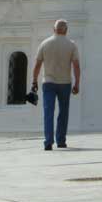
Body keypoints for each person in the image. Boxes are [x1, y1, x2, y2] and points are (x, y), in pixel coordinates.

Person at [31, 19, 80, 150]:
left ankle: (48, 142)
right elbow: (76, 66)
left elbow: (37, 65)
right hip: (65, 83)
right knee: (63, 112)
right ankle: (61, 140)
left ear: (54, 29)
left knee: (48, 112)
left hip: (48, 82)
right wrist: (77, 84)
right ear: (66, 30)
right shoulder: (71, 45)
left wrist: (34, 81)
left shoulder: (45, 43)